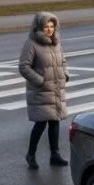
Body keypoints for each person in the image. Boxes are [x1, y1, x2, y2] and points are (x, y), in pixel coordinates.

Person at [18, 12, 69, 169]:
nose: (49, 29)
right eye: (46, 26)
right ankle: (31, 154)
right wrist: (39, 80)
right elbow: (23, 66)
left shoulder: (56, 43)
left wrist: (65, 74)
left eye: (52, 26)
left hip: (56, 88)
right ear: (39, 27)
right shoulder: (31, 44)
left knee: (55, 121)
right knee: (40, 123)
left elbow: (63, 61)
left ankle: (55, 154)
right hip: (41, 90)